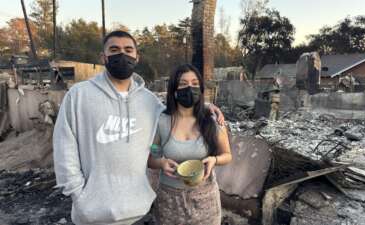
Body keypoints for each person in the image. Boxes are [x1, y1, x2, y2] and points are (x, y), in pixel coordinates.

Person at [53, 30, 224, 225]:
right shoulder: (78, 96)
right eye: (114, 50)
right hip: (93, 215)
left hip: (138, 211)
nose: (122, 55)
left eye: (128, 50)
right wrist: (79, 196)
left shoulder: (149, 101)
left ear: (136, 56)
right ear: (103, 57)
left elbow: (175, 111)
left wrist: (204, 106)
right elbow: (64, 149)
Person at [148, 64, 232, 225]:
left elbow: (227, 155)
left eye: (194, 84)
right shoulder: (162, 122)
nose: (189, 88)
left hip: (205, 200)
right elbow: (152, 157)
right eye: (183, 84)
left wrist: (215, 160)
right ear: (174, 90)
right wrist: (161, 162)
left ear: (200, 90)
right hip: (169, 202)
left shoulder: (213, 121)